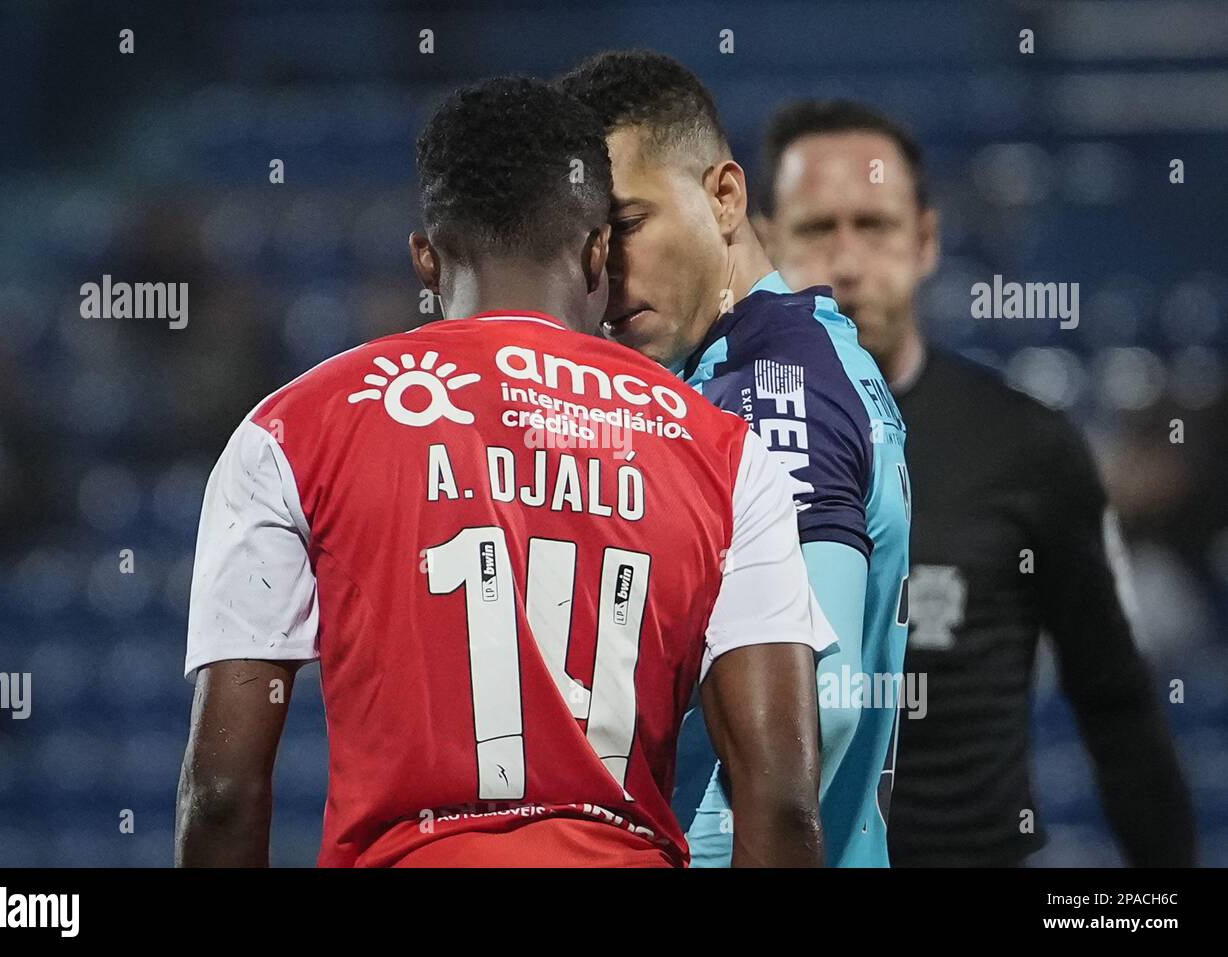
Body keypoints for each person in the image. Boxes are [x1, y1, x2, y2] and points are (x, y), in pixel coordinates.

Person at [176, 76, 829, 868]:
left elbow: (222, 794)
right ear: (597, 253)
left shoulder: (289, 430)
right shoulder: (726, 451)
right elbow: (785, 803)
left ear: (426, 259)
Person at [755, 97, 1196, 867]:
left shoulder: (1028, 445)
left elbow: (1116, 702)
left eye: (877, 225)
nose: (849, 262)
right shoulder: (709, 437)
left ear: (926, 239)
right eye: (818, 229)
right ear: (765, 241)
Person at [560, 51, 911, 868]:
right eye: (591, 243)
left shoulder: (770, 389)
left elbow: (820, 705)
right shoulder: (782, 360)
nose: (608, 273)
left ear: (724, 196)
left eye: (631, 224)